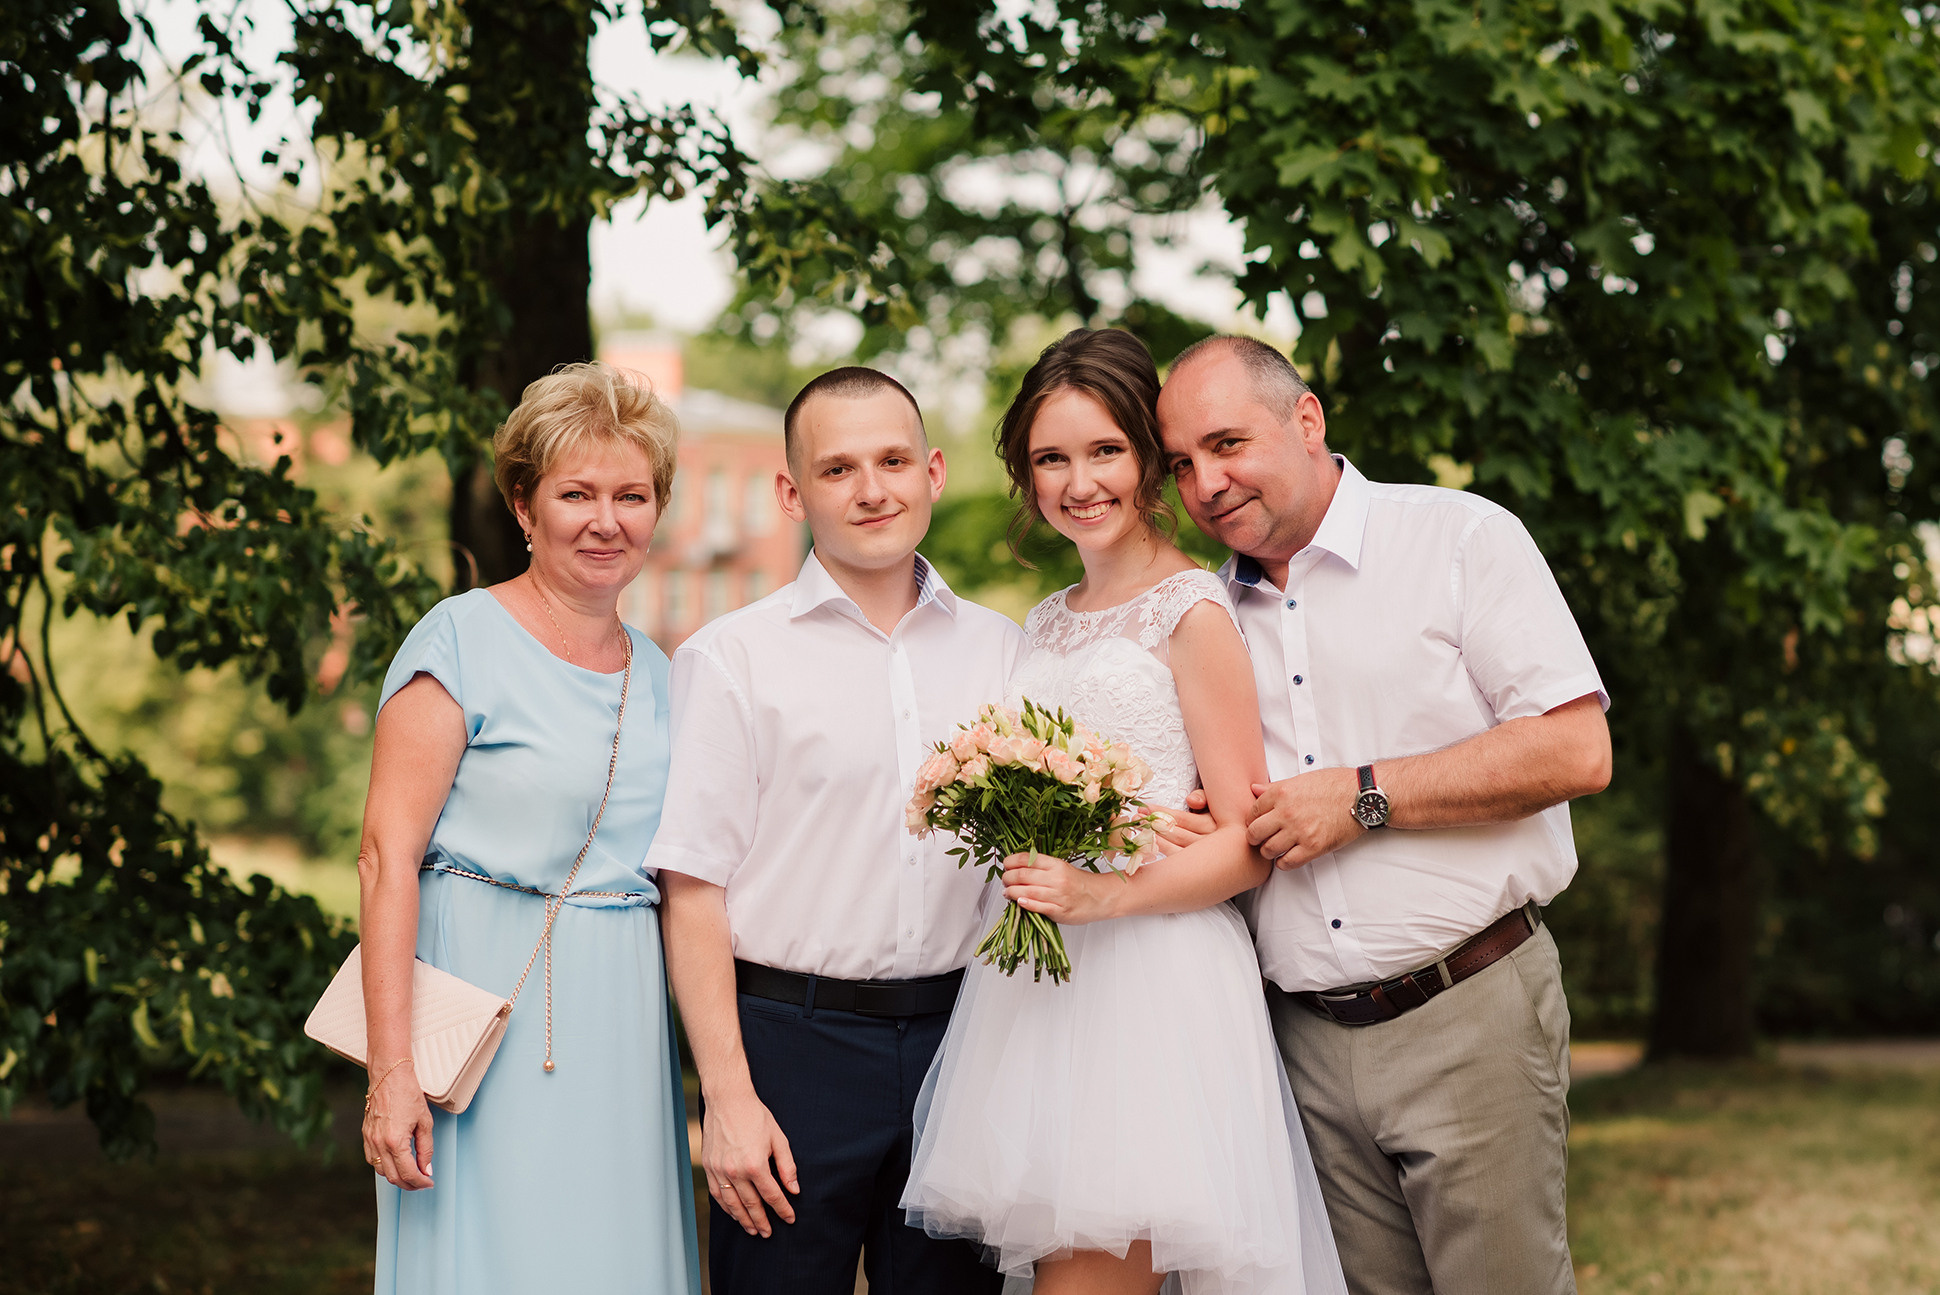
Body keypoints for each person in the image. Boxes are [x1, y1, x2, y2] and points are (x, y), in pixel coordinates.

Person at [1159, 336, 1613, 1295]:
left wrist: (1362, 796)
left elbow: (1576, 750)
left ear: (1308, 418)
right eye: (1181, 463)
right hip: (1300, 1042)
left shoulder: (1458, 537)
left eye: (1228, 442)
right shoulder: (1199, 614)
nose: (1206, 481)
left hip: (1468, 1005)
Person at [902, 329, 1348, 1295]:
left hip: (1153, 986)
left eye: (1103, 450)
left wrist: (1107, 893)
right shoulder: (1045, 619)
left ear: (1147, 456)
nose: (1079, 482)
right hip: (1040, 990)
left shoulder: (1191, 609)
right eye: (1051, 459)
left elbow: (1249, 841)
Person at [649, 368, 1023, 1295]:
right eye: (838, 468)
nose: (871, 489)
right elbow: (691, 887)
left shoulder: (1003, 650)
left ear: (933, 471)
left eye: (893, 460)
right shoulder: (731, 658)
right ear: (792, 492)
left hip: (962, 1041)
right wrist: (727, 1099)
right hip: (790, 1051)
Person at [356, 363, 700, 1295]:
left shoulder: (672, 677)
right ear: (523, 503)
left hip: (622, 1020)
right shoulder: (456, 639)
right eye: (576, 493)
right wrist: (392, 1070)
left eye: (632, 495)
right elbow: (386, 857)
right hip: (473, 1018)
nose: (606, 519)